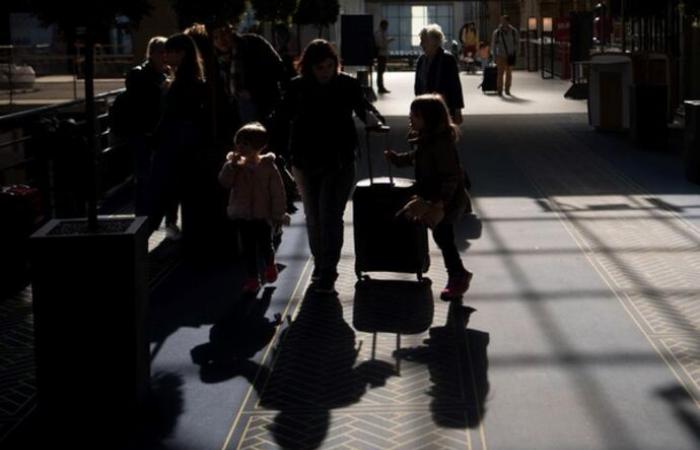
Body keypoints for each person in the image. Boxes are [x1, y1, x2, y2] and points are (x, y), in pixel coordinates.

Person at [272, 39, 384, 294]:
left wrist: (373, 121)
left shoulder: (345, 84)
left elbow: (362, 108)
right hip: (306, 159)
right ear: (309, 66)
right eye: (319, 67)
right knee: (314, 216)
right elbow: (282, 117)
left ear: (336, 64)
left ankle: (327, 268)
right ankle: (322, 263)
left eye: (329, 66)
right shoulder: (297, 87)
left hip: (338, 160)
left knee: (328, 215)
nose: (325, 71)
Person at [384, 94, 473, 301]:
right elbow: (415, 158)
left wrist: (439, 204)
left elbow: (451, 176)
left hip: (444, 201)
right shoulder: (428, 140)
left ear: (429, 119)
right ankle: (451, 272)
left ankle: (457, 275)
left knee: (444, 237)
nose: (410, 118)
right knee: (442, 236)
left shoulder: (440, 144)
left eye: (415, 115)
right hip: (434, 198)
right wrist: (397, 159)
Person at [148, 33, 208, 238]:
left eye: (170, 52)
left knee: (161, 191)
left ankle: (146, 235)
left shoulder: (180, 83)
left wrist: (155, 138)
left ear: (181, 54)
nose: (166, 56)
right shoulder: (193, 80)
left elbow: (170, 115)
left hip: (173, 143)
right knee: (177, 191)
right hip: (186, 142)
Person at [218, 122, 289, 293]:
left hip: (262, 214)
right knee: (248, 249)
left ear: (258, 147)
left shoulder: (267, 166)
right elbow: (224, 182)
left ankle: (270, 265)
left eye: (246, 144)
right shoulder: (234, 166)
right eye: (239, 143)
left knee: (266, 244)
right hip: (243, 215)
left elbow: (277, 191)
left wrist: (278, 213)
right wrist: (231, 167)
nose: (241, 147)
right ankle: (252, 279)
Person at [121, 36, 171, 221]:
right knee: (144, 175)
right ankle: (143, 217)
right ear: (153, 54)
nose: (165, 56)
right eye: (161, 52)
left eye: (167, 52)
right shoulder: (140, 74)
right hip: (143, 132)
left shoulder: (161, 74)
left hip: (154, 132)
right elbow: (144, 102)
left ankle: (149, 215)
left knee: (151, 175)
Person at [212, 23, 285, 127]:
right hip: (234, 113)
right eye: (215, 38)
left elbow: (277, 69)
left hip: (261, 106)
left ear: (231, 31)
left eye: (224, 34)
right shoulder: (216, 58)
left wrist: (254, 91)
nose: (221, 40)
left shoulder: (252, 43)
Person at [414, 24, 464, 125]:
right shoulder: (421, 61)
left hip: (443, 109)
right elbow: (417, 86)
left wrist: (458, 110)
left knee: (442, 138)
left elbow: (455, 86)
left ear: (434, 42)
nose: (421, 44)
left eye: (423, 40)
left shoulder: (447, 59)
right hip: (424, 108)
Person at [490, 15, 519, 96]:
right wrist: (494, 57)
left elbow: (517, 43)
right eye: (501, 21)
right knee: (500, 73)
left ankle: (507, 89)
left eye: (503, 21)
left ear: (508, 21)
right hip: (500, 56)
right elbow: (493, 45)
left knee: (509, 73)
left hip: (510, 55)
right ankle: (499, 89)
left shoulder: (513, 32)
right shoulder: (497, 32)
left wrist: (516, 54)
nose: (502, 22)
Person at [374, 19, 394, 94]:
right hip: (381, 54)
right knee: (380, 72)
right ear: (383, 25)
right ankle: (380, 87)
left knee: (381, 71)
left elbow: (383, 41)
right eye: (386, 26)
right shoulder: (379, 33)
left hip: (383, 54)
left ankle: (381, 86)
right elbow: (380, 44)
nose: (387, 27)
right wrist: (388, 41)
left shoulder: (382, 33)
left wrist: (388, 40)